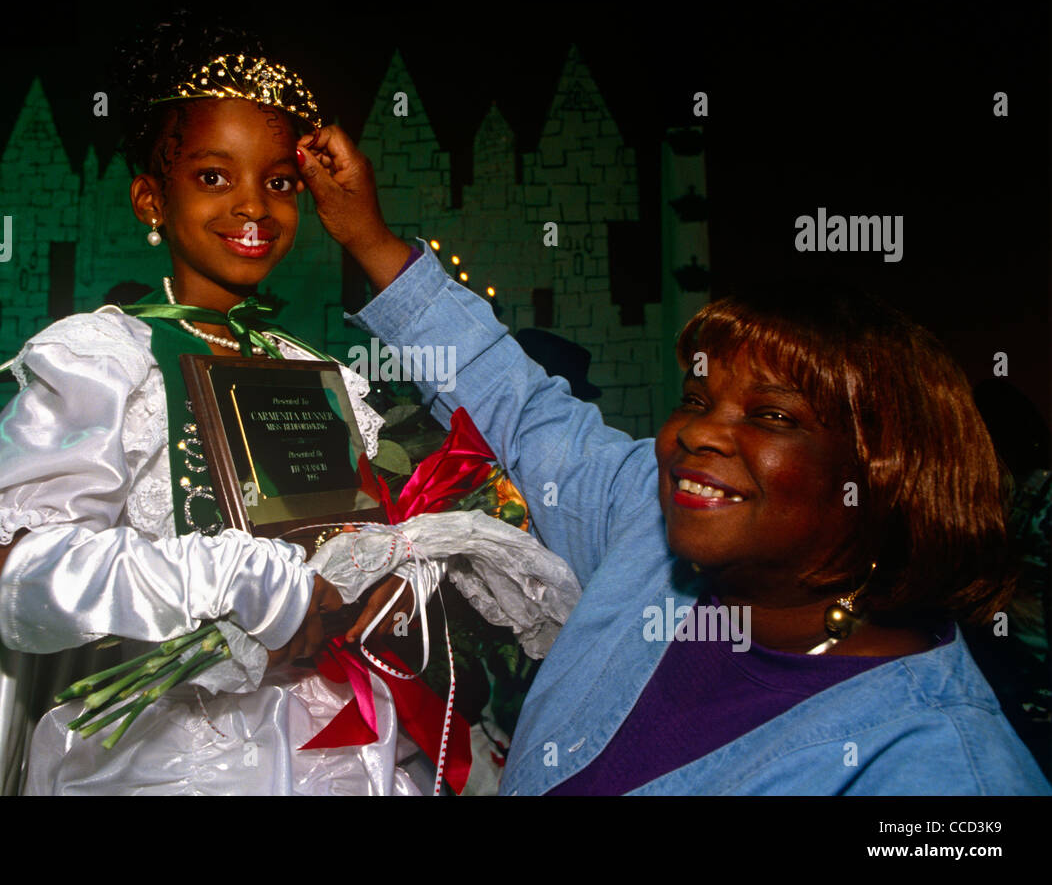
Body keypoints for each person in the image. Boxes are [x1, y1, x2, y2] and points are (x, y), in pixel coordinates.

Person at [293, 126, 1052, 794]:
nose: (697, 434)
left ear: (883, 473)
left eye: (772, 416)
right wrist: (369, 238)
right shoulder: (650, 534)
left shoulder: (935, 765)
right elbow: (523, 411)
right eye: (696, 400)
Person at [0, 13, 432, 795]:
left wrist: (385, 584)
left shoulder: (311, 370)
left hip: (337, 737)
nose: (254, 207)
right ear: (148, 200)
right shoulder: (108, 361)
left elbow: (345, 548)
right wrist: (231, 580)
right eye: (212, 176)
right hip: (171, 752)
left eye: (279, 182)